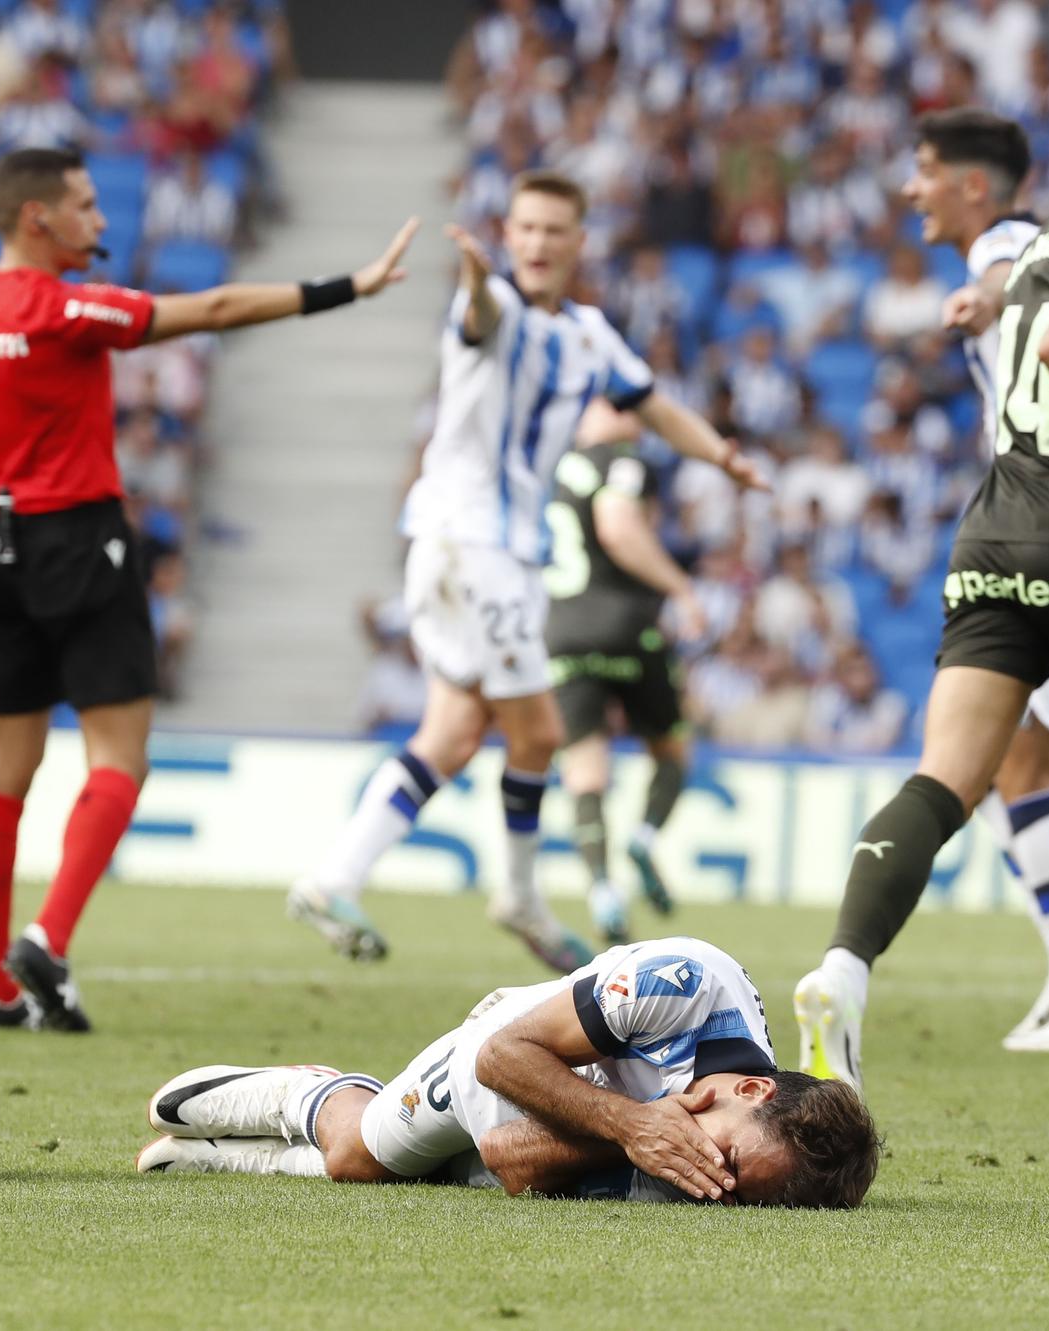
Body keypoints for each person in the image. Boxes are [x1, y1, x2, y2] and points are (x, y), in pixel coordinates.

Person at [794, 75, 1049, 1122]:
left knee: (947, 778)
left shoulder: (1044, 241)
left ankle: (841, 973)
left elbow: (1044, 306)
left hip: (987, 536)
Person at [0, 146, 418, 1032]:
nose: (100, 221)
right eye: (83, 205)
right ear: (38, 217)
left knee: (4, 770)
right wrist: (351, 287)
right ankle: (50, 937)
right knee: (119, 756)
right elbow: (217, 307)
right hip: (81, 540)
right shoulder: (65, 306)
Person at [288, 171, 761, 972]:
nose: (539, 243)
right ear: (508, 235)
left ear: (580, 242)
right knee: (539, 730)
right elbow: (477, 314)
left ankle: (335, 875)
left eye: (555, 230)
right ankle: (519, 895)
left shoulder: (588, 333)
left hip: (482, 552)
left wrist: (719, 453)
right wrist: (474, 278)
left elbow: (651, 405)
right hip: (470, 543)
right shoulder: (493, 309)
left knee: (453, 731)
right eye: (527, 229)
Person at [133, 935, 879, 1210]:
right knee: (358, 1153)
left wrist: (642, 1135)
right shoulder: (685, 984)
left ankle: (216, 1157)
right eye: (725, 1158)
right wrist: (632, 1122)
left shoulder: (707, 1166)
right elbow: (503, 1056)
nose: (705, 1176)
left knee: (392, 1180)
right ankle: (302, 1090)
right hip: (504, 1048)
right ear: (752, 1088)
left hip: (549, 1123)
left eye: (730, 1190)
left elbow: (511, 1160)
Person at [900, 107, 1049, 1054]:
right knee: (1020, 771)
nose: (912, 188)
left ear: (972, 185)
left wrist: (985, 300)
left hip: (1043, 532)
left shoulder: (1011, 240)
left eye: (925, 171)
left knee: (988, 765)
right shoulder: (1041, 244)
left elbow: (1006, 268)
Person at [542, 434, 711, 945]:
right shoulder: (625, 461)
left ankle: (601, 888)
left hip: (563, 628)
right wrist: (680, 587)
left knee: (584, 768)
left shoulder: (557, 465)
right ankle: (645, 836)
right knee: (673, 746)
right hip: (628, 625)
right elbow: (618, 526)